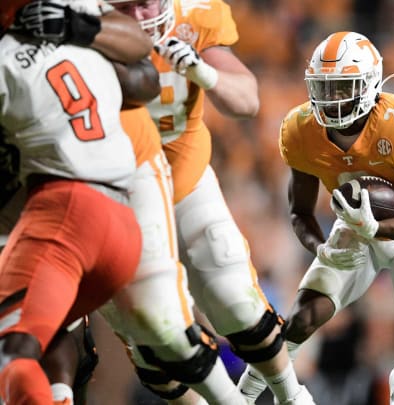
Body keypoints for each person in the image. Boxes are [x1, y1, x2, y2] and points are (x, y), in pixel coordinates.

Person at [105, 0, 313, 403]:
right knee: (156, 338)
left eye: (148, 4)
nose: (143, 17)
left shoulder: (194, 16)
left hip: (183, 180)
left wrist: (205, 73)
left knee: (235, 297)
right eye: (128, 6)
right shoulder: (76, 27)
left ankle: (293, 396)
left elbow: (247, 101)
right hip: (114, 197)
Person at [236, 31, 394, 405]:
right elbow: (300, 213)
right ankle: (243, 395)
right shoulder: (302, 129)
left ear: (368, 84)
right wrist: (323, 249)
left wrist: (377, 227)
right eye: (324, 87)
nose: (331, 99)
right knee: (301, 318)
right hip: (354, 230)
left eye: (342, 87)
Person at [0, 0, 157, 401]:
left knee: (11, 351)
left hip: (60, 212)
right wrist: (81, 32)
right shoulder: (73, 18)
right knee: (46, 332)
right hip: (120, 219)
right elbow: (146, 77)